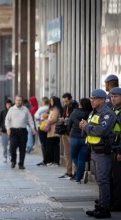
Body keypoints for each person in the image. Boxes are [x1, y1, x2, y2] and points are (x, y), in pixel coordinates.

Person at [80, 89, 116, 219]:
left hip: (103, 151)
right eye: (91, 98)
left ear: (102, 100)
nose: (91, 100)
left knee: (103, 180)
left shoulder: (107, 113)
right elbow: (90, 129)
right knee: (99, 180)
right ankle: (100, 206)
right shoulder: (94, 112)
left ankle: (105, 209)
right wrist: (84, 126)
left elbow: (102, 130)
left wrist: (86, 127)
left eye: (94, 98)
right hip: (94, 150)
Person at [5, 95, 36, 169]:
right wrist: (8, 128)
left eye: (20, 100)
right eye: (17, 100)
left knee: (22, 148)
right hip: (14, 131)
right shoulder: (11, 109)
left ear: (21, 101)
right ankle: (13, 161)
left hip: (23, 131)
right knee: (13, 147)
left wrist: (33, 128)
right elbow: (7, 120)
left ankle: (21, 163)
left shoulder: (25, 109)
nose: (18, 102)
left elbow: (30, 120)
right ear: (15, 101)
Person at [67, 98, 92, 183]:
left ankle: (79, 174)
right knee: (81, 158)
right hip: (85, 138)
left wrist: (68, 132)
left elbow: (69, 124)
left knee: (74, 157)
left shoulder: (74, 113)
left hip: (74, 137)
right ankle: (78, 178)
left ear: (80, 105)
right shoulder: (90, 113)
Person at [58, 93, 78, 179]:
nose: (65, 103)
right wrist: (62, 119)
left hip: (72, 132)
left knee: (73, 152)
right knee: (67, 153)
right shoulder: (65, 106)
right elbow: (64, 115)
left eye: (66, 101)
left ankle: (75, 172)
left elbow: (76, 119)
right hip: (65, 131)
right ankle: (68, 171)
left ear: (70, 99)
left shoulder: (75, 106)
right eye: (64, 101)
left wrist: (67, 119)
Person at [109, 87, 121, 212]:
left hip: (118, 150)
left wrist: (119, 151)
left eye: (116, 96)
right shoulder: (113, 110)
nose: (113, 98)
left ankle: (118, 204)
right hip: (111, 148)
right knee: (111, 177)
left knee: (118, 179)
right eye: (112, 96)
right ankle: (112, 200)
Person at [45, 96, 63, 167]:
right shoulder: (52, 109)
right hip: (51, 130)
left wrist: (48, 121)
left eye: (52, 101)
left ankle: (55, 161)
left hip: (54, 131)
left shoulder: (56, 109)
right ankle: (52, 160)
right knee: (51, 146)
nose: (51, 102)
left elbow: (54, 119)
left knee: (54, 147)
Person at [34, 97, 50, 166]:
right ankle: (46, 159)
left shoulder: (43, 108)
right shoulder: (48, 108)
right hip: (46, 127)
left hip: (42, 127)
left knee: (43, 144)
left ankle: (45, 160)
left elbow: (36, 116)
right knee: (46, 143)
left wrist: (40, 118)